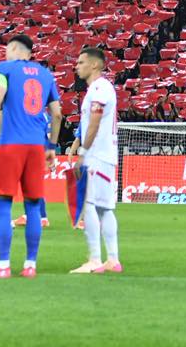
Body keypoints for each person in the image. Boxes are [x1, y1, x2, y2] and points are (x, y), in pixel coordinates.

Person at [0, 34, 62, 279]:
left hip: (10, 145)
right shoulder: (47, 74)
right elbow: (56, 114)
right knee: (34, 205)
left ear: (13, 49)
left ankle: (3, 266)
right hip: (37, 146)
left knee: (3, 203)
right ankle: (30, 265)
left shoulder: (4, 69)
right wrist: (52, 147)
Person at [71, 45, 121, 275]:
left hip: (97, 155)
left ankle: (94, 259)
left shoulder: (99, 88)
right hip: (106, 155)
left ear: (94, 64)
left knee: (89, 204)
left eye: (81, 62)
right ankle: (113, 259)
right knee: (104, 208)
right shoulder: (101, 88)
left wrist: (83, 151)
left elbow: (94, 121)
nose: (76, 66)